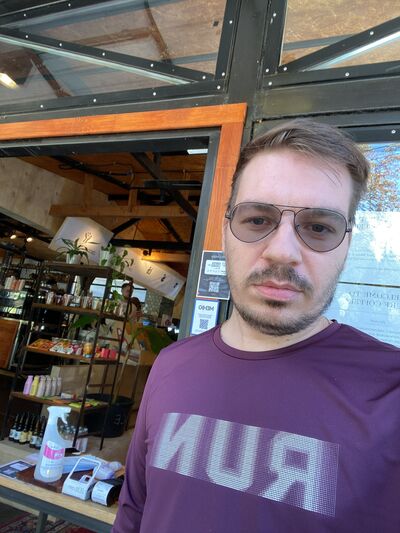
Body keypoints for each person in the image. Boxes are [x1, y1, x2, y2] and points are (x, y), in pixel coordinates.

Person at [112, 120, 399, 533]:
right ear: (225, 231)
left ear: (347, 244)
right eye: (258, 219)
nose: (282, 252)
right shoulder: (171, 365)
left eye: (319, 227)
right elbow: (134, 513)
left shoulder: (390, 392)